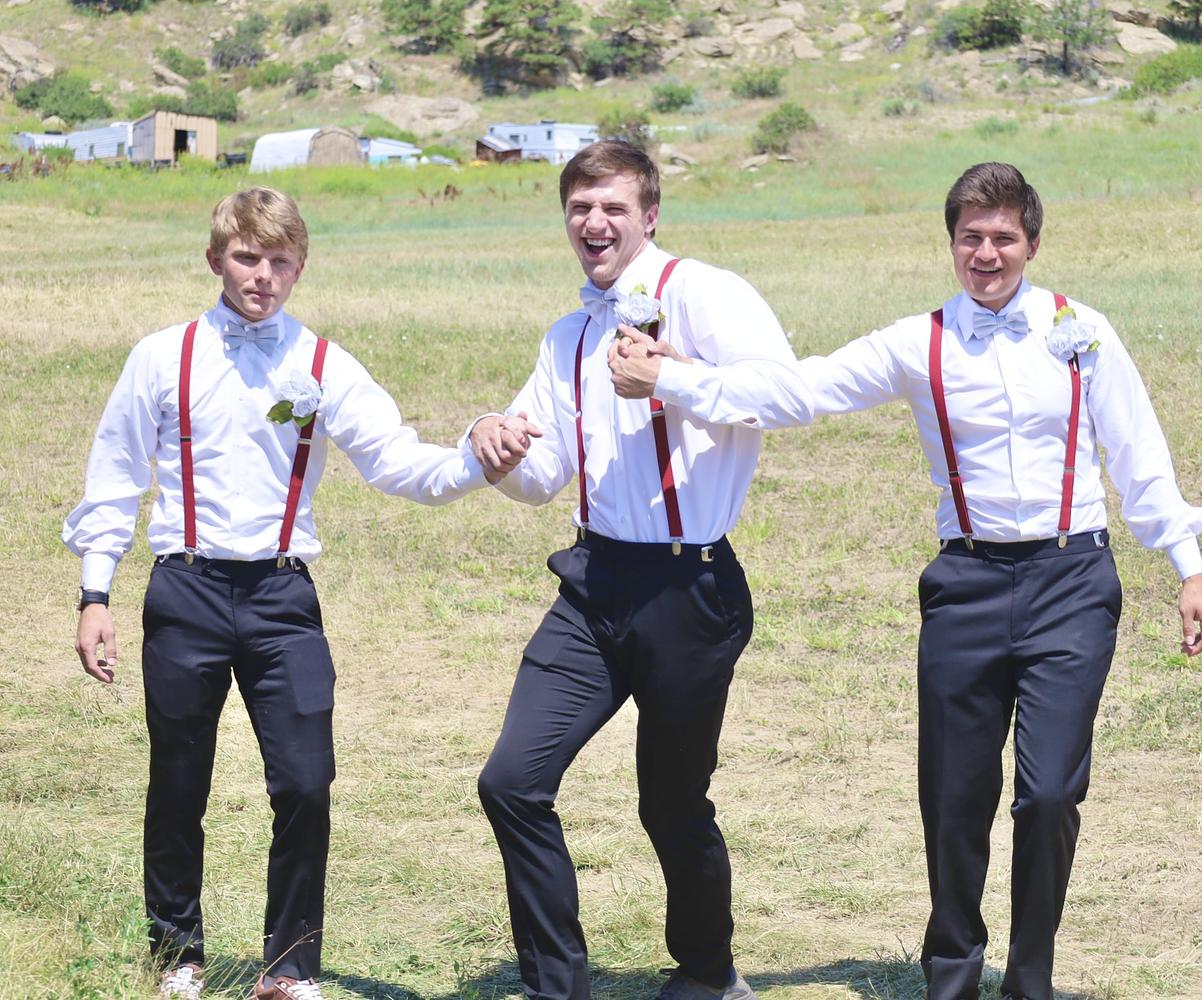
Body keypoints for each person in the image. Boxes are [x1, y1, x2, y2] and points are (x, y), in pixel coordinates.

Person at [65, 187, 536, 1000]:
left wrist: (474, 457)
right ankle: (176, 954)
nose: (263, 276)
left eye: (280, 262)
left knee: (306, 783)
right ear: (215, 259)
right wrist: (94, 592)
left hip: (282, 598)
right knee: (179, 780)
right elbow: (114, 477)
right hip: (185, 589)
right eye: (248, 258)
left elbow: (396, 462)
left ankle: (288, 968)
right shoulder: (161, 357)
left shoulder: (322, 364)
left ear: (300, 268)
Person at [798, 162, 1202, 1000]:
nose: (984, 253)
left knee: (1049, 793)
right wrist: (677, 379)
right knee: (953, 795)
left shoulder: (1081, 331)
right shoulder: (917, 342)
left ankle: (1030, 978)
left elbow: (1137, 452)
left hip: (1072, 580)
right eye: (969, 237)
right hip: (967, 583)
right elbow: (802, 388)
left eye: (1001, 237)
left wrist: (1188, 568)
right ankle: (951, 975)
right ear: (950, 243)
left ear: (1030, 243)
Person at [468, 139, 812, 1000]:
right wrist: (495, 446)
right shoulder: (569, 335)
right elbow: (544, 476)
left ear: (649, 215)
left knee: (670, 802)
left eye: (613, 206)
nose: (595, 222)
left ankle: (708, 973)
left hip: (690, 587)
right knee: (511, 782)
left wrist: (671, 379)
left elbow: (787, 395)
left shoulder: (704, 293)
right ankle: (558, 987)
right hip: (593, 583)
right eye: (580, 207)